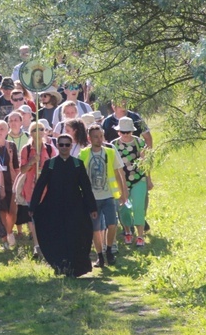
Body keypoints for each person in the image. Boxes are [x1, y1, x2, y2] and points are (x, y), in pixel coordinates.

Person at [29, 134, 98, 277]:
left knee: (76, 235)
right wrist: (33, 207)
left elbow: (86, 188)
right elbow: (40, 186)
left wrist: (92, 208)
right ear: (58, 146)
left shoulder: (78, 164)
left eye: (67, 145)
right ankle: (59, 265)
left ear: (71, 146)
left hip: (75, 207)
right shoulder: (51, 164)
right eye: (61, 145)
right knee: (56, 236)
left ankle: (76, 268)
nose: (64, 147)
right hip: (53, 207)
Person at [79, 125, 128, 267]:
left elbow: (119, 173)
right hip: (92, 198)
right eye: (96, 136)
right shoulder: (83, 154)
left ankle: (109, 250)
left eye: (101, 136)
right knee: (95, 229)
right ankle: (99, 256)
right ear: (89, 138)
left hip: (108, 196)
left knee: (112, 224)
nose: (99, 139)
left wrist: (122, 193)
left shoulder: (110, 152)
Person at [18, 122, 57, 256]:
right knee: (33, 217)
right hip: (31, 188)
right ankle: (37, 245)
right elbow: (22, 170)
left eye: (41, 129)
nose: (38, 132)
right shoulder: (26, 149)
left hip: (47, 189)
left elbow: (55, 169)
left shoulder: (50, 149)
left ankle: (48, 243)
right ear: (31, 133)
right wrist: (31, 162)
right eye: (35, 130)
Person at [112, 117, 151, 248]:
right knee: (124, 209)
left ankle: (140, 236)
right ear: (118, 132)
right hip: (121, 182)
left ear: (132, 131)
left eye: (128, 132)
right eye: (122, 132)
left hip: (138, 179)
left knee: (138, 206)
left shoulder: (139, 142)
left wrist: (149, 179)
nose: (125, 134)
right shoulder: (113, 145)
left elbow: (145, 162)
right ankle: (128, 232)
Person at [0, 119, 20, 248]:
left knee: (12, 212)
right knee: (2, 210)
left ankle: (9, 231)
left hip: (10, 181)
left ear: (7, 131)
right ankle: (5, 236)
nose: (0, 131)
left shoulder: (11, 145)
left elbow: (16, 166)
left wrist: (18, 182)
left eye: (2, 129)